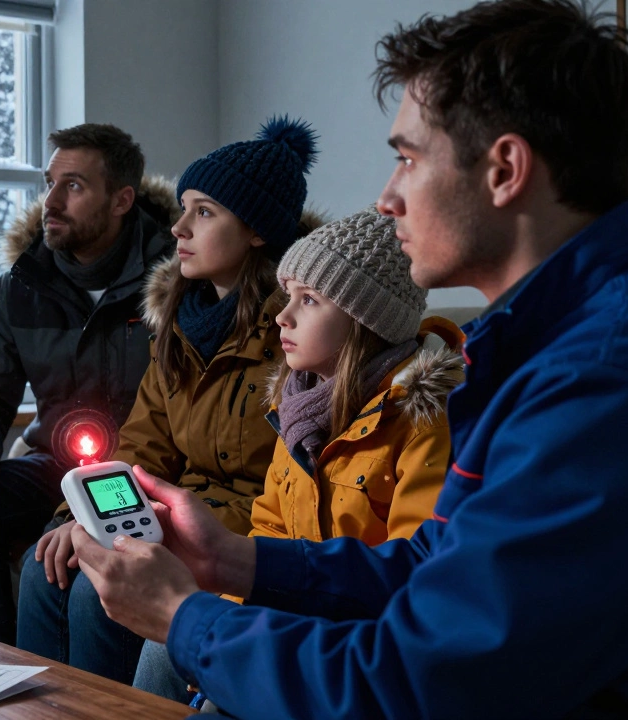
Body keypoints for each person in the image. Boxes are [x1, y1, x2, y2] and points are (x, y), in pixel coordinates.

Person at [70, 1, 628, 717]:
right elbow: (440, 572)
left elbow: (420, 683)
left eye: (407, 158)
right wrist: (235, 559)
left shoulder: (606, 380)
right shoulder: (556, 339)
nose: (387, 197)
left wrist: (182, 617)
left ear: (505, 169)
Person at [17, 118, 325, 683]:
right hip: (165, 513)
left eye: (203, 212)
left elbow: (288, 492)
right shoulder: (177, 326)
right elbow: (142, 447)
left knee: (94, 590)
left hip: (238, 533)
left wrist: (159, 532)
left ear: (256, 230)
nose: (179, 227)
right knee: (45, 565)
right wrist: (79, 516)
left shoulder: (300, 332)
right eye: (182, 207)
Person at [130, 206, 464, 703]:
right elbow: (270, 527)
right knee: (167, 641)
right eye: (288, 296)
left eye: (309, 300)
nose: (282, 316)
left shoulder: (422, 422)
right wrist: (225, 610)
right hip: (290, 611)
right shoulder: (297, 406)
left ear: (362, 321)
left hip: (351, 643)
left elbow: (413, 577)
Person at [0, 124, 177, 645]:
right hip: (56, 466)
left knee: (64, 553)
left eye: (75, 186)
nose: (51, 202)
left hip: (145, 472)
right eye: (50, 183)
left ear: (121, 200)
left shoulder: (176, 281)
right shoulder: (22, 285)